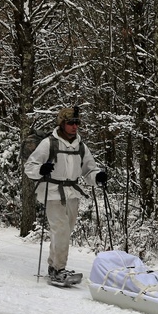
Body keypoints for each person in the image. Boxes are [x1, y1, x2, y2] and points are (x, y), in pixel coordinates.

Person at [24, 106, 107, 285]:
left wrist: (97, 176)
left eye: (77, 123)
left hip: (72, 193)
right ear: (62, 124)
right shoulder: (49, 143)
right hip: (52, 192)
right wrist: (41, 169)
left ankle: (54, 267)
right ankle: (59, 269)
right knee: (60, 229)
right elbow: (30, 166)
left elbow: (89, 170)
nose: (75, 126)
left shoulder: (81, 146)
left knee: (64, 232)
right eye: (71, 123)